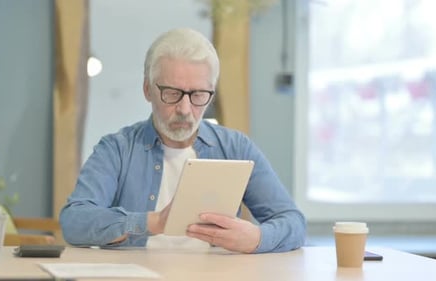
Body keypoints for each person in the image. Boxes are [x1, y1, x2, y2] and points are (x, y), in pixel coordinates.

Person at [59, 28, 306, 254]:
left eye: (198, 94)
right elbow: (74, 221)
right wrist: (153, 222)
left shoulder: (236, 147)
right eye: (172, 93)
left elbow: (293, 222)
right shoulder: (117, 149)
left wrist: (257, 238)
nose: (185, 109)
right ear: (147, 89)